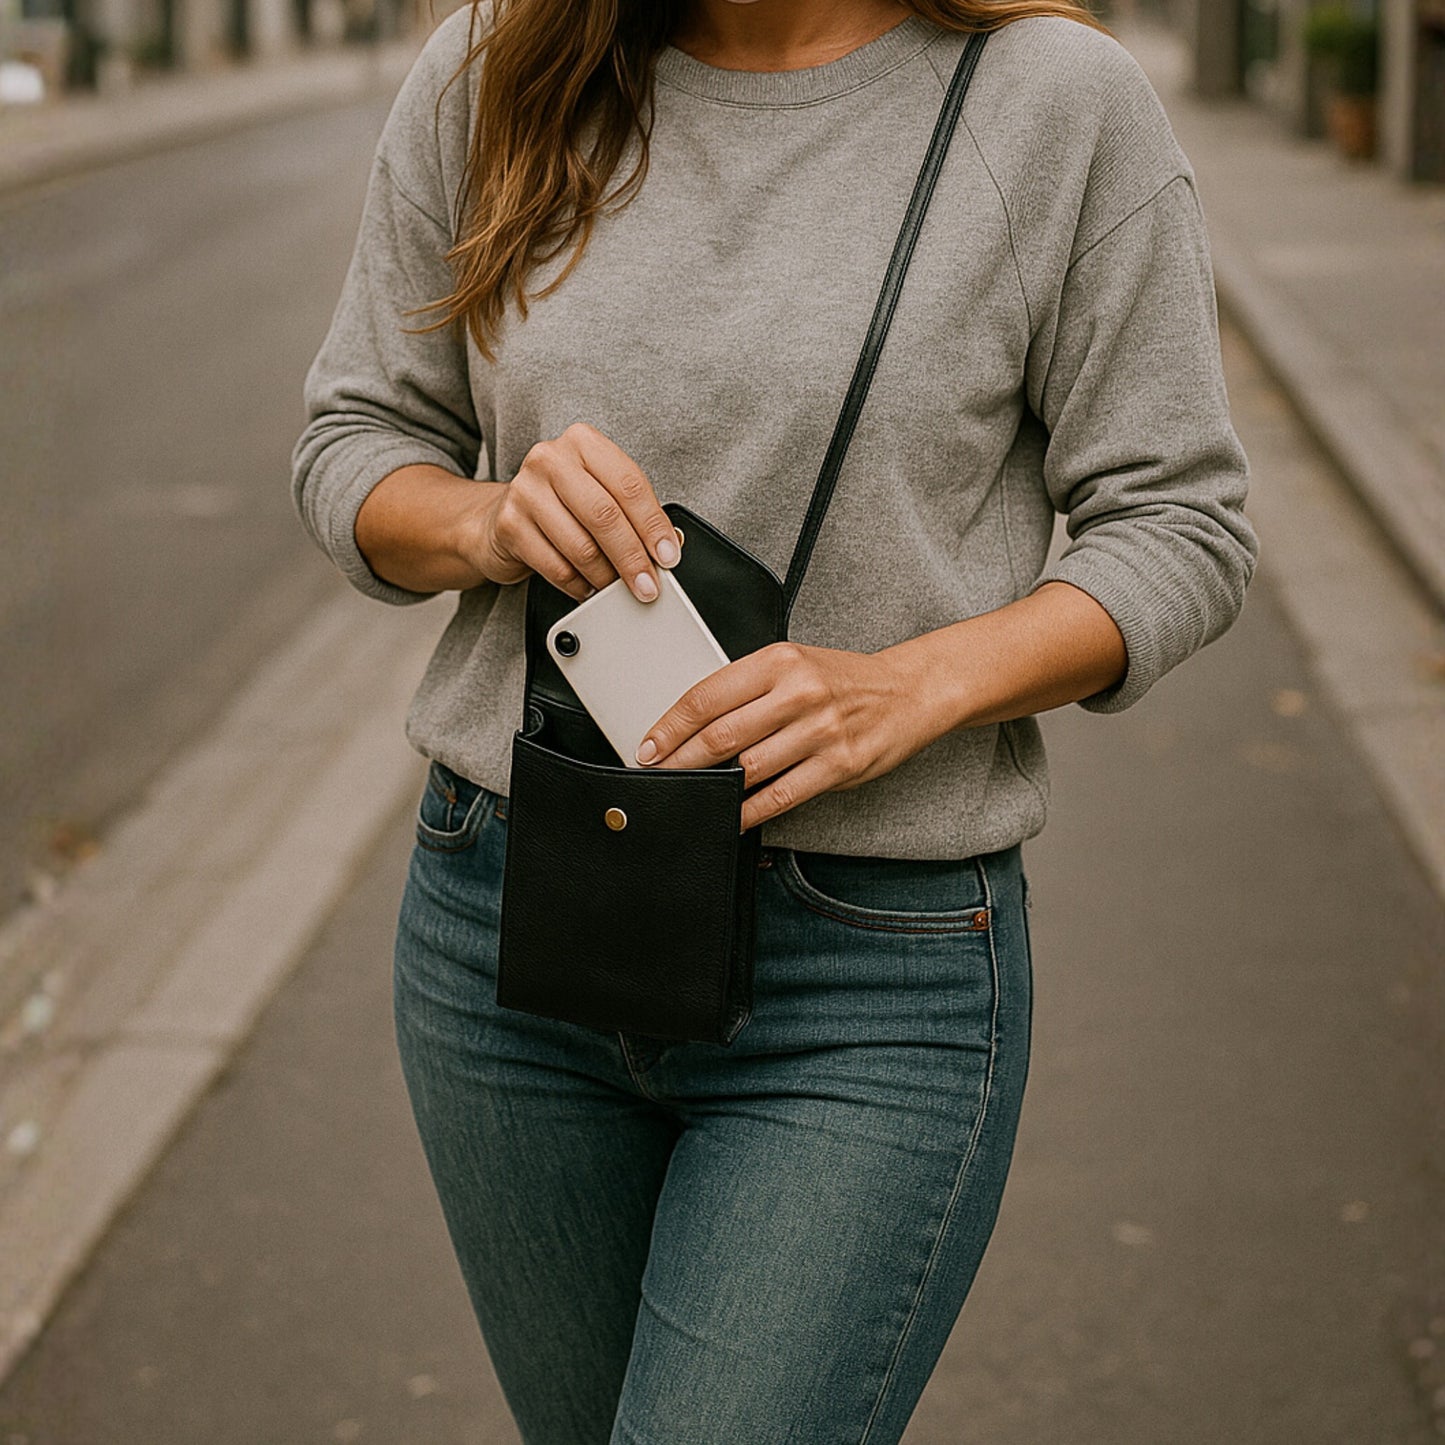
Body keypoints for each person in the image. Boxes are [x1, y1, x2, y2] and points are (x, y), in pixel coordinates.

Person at [290, 0, 1257, 1438]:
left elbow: (1180, 518)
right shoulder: (500, 64)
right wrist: (492, 518)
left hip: (868, 972)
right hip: (511, 927)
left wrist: (915, 681)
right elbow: (352, 440)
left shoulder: (1055, 105)